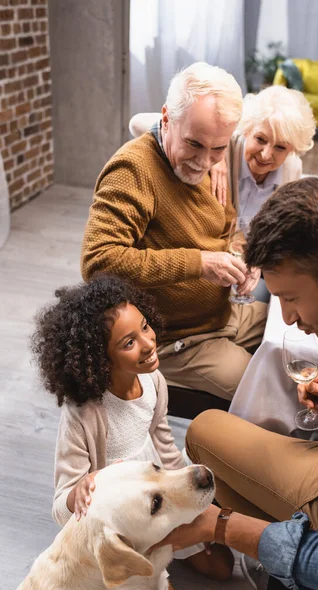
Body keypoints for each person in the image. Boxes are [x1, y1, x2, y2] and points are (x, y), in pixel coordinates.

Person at [151, 177, 318, 590]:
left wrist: (222, 527)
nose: (287, 319)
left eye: (292, 297)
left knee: (210, 453)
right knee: (209, 432)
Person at [30, 274, 234, 590]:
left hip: (158, 495)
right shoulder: (84, 414)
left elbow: (164, 441)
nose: (148, 343)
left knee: (222, 568)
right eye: (128, 342)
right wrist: (78, 493)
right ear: (100, 359)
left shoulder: (153, 381)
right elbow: (61, 508)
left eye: (144, 326)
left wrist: (188, 503)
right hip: (127, 520)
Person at [81, 62, 268, 402]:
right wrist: (199, 263)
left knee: (288, 331)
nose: (204, 162)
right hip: (172, 338)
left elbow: (226, 232)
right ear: (165, 118)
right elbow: (98, 262)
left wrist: (245, 254)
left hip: (220, 314)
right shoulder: (133, 170)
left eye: (218, 149)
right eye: (194, 144)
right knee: (266, 390)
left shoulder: (212, 164)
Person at [130, 85, 316, 301]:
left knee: (268, 303)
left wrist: (257, 259)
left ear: (292, 149)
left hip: (247, 267)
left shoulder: (291, 170)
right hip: (204, 258)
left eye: (280, 148)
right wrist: (215, 152)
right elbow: (136, 123)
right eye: (260, 139)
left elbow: (279, 233)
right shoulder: (224, 145)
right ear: (246, 130)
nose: (266, 155)